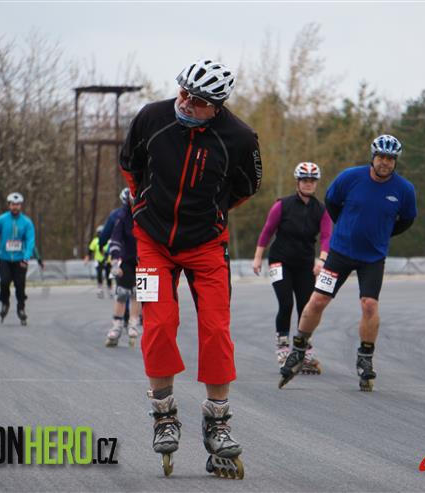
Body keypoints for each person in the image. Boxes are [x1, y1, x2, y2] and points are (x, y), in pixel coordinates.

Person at [119, 58, 261, 478]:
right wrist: (142, 207)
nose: (185, 101)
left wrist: (212, 212)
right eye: (183, 91)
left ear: (216, 107)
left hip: (206, 245)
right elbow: (130, 165)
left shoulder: (240, 138)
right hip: (152, 241)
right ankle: (164, 414)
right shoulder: (152, 118)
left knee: (216, 328)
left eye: (197, 100)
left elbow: (246, 187)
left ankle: (218, 422)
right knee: (158, 323)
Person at [278, 134, 417, 392]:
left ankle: (365, 358)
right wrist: (346, 228)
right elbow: (332, 204)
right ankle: (298, 349)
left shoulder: (404, 190)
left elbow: (407, 220)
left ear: (395, 161)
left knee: (369, 305)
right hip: (340, 253)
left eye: (390, 159)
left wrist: (382, 234)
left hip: (373, 257)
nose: (385, 162)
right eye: (381, 157)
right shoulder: (350, 177)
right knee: (318, 300)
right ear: (373, 157)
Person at [252, 162, 332, 372]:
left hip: (305, 264)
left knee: (306, 307)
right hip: (280, 261)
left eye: (312, 181)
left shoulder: (321, 210)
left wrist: (322, 260)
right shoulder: (282, 205)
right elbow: (267, 231)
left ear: (316, 183)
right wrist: (258, 257)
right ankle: (282, 346)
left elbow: (326, 237)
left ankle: (303, 347)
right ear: (298, 182)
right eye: (304, 180)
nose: (308, 184)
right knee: (286, 303)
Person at [0, 192, 36, 325]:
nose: (15, 207)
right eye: (13, 205)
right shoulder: (1, 220)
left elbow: (30, 241)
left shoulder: (27, 222)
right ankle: (5, 302)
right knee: (4, 281)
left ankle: (21, 308)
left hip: (20, 259)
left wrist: (26, 257)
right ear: (9, 205)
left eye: (17, 205)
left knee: (20, 284)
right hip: (4, 258)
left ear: (21, 206)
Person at [104, 187, 141, 347]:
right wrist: (114, 261)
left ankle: (133, 322)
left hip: (145, 258)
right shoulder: (122, 216)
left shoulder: (148, 213)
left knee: (139, 293)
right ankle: (117, 325)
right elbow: (116, 239)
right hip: (126, 259)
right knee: (122, 292)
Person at [85, 225, 112, 299]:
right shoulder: (95, 241)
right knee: (99, 275)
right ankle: (100, 289)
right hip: (99, 260)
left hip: (108, 261)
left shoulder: (109, 241)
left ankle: (109, 289)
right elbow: (90, 250)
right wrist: (87, 257)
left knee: (108, 276)